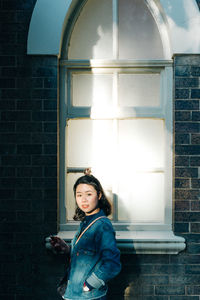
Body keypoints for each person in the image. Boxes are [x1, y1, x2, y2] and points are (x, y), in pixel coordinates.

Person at [50, 170, 121, 300]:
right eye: (79, 195)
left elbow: (112, 264)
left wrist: (90, 285)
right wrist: (67, 249)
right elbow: (88, 256)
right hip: (73, 293)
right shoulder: (86, 222)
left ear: (99, 195)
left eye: (89, 194)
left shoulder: (102, 225)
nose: (83, 199)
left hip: (89, 297)